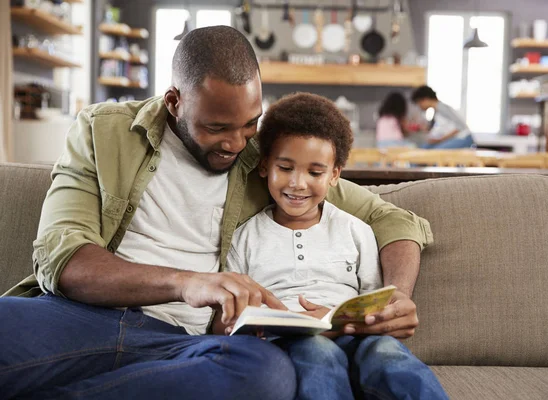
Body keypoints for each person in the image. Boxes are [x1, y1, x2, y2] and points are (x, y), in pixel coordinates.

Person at [0, 26, 432, 398]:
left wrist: (398, 296)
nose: (237, 144)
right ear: (175, 102)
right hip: (77, 318)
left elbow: (393, 220)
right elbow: (63, 258)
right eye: (217, 128)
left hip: (186, 344)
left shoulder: (267, 161)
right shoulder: (103, 130)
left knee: (268, 376)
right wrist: (187, 283)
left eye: (249, 124)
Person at [221, 93, 448, 400]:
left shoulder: (355, 230)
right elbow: (233, 314)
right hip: (289, 341)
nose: (298, 184)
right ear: (264, 166)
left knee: (388, 354)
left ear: (334, 175)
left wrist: (343, 322)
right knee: (316, 353)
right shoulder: (245, 237)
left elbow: (374, 301)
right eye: (285, 168)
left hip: (355, 335)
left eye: (315, 173)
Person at [411, 85, 475, 149]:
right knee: (424, 147)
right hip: (452, 138)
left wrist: (440, 140)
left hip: (463, 138)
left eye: (419, 103)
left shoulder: (442, 107)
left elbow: (461, 126)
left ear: (425, 99)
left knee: (437, 152)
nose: (419, 106)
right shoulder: (436, 111)